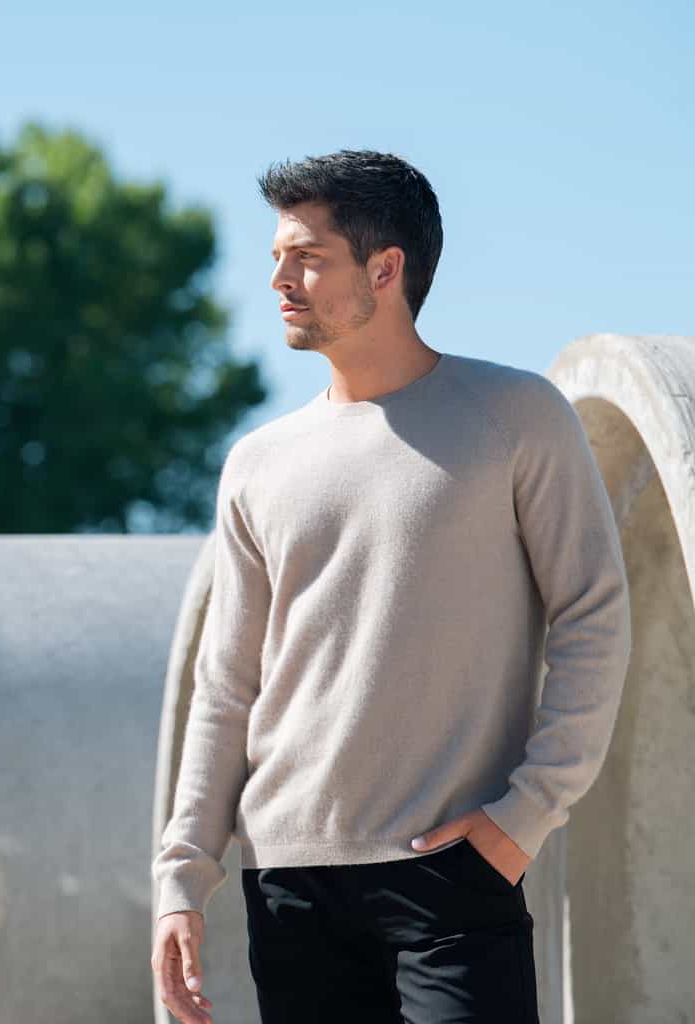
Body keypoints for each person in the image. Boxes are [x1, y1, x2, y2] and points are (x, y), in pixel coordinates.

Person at [150, 149, 633, 1024]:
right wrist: (182, 878)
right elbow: (226, 688)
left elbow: (592, 613)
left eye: (306, 256)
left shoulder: (514, 417)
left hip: (451, 871)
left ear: (386, 267)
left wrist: (524, 815)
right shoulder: (258, 463)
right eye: (274, 259)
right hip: (290, 880)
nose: (280, 281)